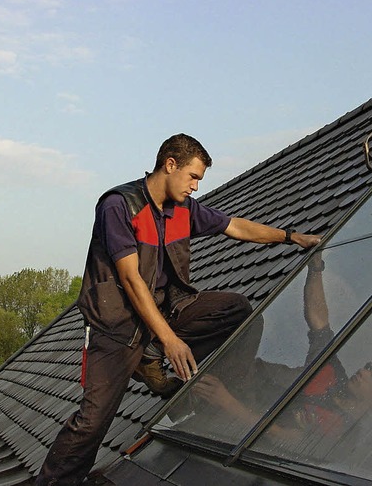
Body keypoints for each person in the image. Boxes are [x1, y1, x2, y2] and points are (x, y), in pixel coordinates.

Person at [35, 133, 321, 485]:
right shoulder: (119, 206)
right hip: (118, 327)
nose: (196, 187)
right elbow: (131, 280)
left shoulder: (182, 210)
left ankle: (186, 382)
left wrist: (291, 237)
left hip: (164, 312)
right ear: (170, 164)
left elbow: (237, 227)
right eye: (193, 176)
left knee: (236, 309)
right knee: (93, 421)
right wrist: (170, 340)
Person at [191, 252, 372, 456]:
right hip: (232, 387)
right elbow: (320, 323)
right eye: (368, 367)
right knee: (247, 318)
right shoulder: (333, 373)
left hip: (225, 433)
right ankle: (185, 383)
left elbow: (283, 437)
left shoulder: (343, 433)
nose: (363, 371)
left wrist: (226, 402)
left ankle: (184, 391)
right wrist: (315, 266)